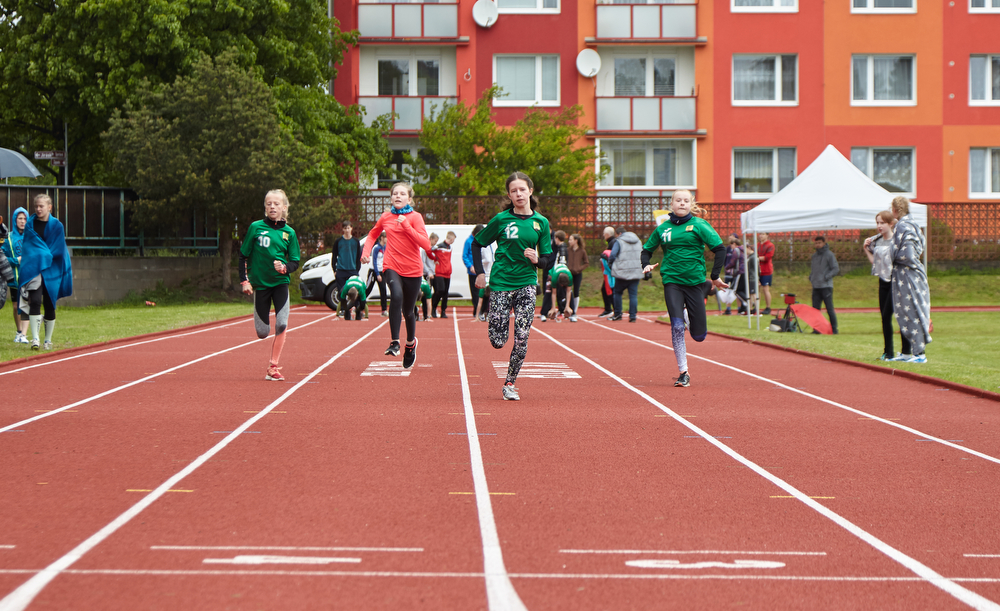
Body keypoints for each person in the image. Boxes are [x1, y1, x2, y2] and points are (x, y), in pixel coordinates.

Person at [472, 171, 552, 401]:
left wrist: (537, 260)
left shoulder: (541, 223)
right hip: (501, 283)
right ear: (509, 195)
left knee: (522, 336)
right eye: (514, 191)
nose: (519, 194)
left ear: (530, 191)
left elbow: (547, 259)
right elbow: (477, 244)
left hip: (527, 283)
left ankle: (510, 382)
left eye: (522, 189)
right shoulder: (501, 220)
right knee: (498, 341)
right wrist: (480, 273)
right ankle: (498, 324)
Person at [641, 189, 726, 388]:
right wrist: (645, 264)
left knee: (699, 336)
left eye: (686, 201)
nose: (681, 203)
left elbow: (720, 249)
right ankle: (683, 372)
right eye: (678, 200)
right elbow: (646, 250)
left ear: (691, 204)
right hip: (672, 281)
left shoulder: (699, 225)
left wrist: (714, 277)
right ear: (671, 204)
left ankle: (695, 302)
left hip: (695, 282)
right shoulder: (663, 228)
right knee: (677, 327)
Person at [361, 182, 432, 370]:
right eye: (395, 194)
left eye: (402, 193)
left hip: (413, 270)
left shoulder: (415, 217)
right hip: (391, 265)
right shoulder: (386, 217)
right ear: (391, 197)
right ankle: (394, 342)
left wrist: (407, 226)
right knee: (396, 295)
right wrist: (365, 252)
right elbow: (372, 235)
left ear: (409, 198)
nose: (398, 196)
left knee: (408, 311)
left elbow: (426, 244)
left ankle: (410, 344)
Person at [239, 189, 301, 381]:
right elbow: (243, 255)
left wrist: (284, 268)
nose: (272, 207)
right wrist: (244, 281)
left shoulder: (289, 233)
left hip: (280, 283)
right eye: (269, 204)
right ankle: (263, 327)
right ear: (265, 207)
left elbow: (295, 262)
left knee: (282, 324)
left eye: (276, 204)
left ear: (284, 207)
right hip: (261, 285)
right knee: (262, 332)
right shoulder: (255, 227)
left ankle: (273, 366)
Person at [18, 194, 73, 351]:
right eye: (36, 206)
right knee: (35, 301)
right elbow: (29, 248)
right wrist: (40, 256)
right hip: (34, 268)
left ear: (49, 207)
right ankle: (35, 339)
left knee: (50, 303)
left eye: (41, 206)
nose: (38, 209)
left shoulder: (57, 226)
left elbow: (59, 249)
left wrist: (44, 255)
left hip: (52, 268)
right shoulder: (30, 225)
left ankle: (47, 340)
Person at [888, 196, 931, 363]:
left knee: (911, 311)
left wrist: (890, 256)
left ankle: (919, 353)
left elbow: (908, 254)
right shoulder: (913, 224)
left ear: (895, 210)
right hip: (910, 273)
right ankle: (907, 352)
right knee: (907, 311)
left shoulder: (902, 225)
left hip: (907, 274)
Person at [864, 211, 906, 361]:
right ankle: (888, 352)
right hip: (883, 282)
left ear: (891, 224)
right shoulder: (877, 241)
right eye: (877, 223)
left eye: (882, 223)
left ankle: (906, 351)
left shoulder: (897, 241)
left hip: (896, 281)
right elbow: (875, 263)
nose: (879, 226)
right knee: (884, 317)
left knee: (897, 315)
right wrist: (865, 249)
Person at [1, 207, 28, 343]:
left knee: (26, 304)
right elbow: (2, 258)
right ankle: (19, 331)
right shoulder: (9, 238)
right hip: (14, 278)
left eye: (25, 219)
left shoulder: (31, 236)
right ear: (15, 220)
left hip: (28, 277)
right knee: (16, 306)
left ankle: (24, 334)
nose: (22, 221)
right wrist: (16, 261)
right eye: (20, 218)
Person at [607, 227, 643, 322]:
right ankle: (633, 316)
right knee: (633, 295)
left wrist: (610, 264)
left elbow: (613, 255)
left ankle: (618, 313)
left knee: (617, 292)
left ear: (619, 233)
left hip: (622, 271)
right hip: (635, 271)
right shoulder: (638, 241)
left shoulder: (619, 241)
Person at [809, 235, 840, 334]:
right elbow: (813, 269)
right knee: (815, 309)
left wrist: (826, 277)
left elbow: (835, 268)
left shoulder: (829, 255)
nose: (817, 245)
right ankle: (817, 329)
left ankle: (834, 329)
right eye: (816, 243)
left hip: (826, 286)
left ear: (824, 243)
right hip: (816, 286)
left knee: (829, 308)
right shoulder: (814, 256)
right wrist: (811, 277)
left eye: (819, 243)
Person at [331, 220, 361, 316]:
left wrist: (357, 269)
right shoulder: (338, 241)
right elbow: (334, 256)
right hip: (341, 270)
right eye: (345, 228)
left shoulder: (356, 241)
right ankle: (344, 310)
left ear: (351, 228)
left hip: (352, 270)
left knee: (355, 291)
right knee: (342, 292)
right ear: (342, 229)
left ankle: (357, 309)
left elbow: (358, 257)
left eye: (348, 228)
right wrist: (334, 269)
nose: (347, 230)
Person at [539, 230, 567, 322]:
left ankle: (555, 311)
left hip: (556, 273)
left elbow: (562, 261)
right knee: (553, 291)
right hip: (554, 272)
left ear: (557, 238)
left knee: (553, 291)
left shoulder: (562, 248)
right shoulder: (560, 247)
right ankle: (551, 311)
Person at [430, 231, 456, 318]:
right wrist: (434, 259)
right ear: (451, 239)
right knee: (440, 290)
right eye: (453, 240)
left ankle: (443, 311)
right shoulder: (439, 246)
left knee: (446, 293)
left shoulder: (450, 247)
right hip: (440, 272)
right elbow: (429, 250)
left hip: (448, 272)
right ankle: (433, 307)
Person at [463, 224, 486, 320]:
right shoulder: (468, 241)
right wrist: (470, 266)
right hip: (473, 271)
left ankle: (482, 310)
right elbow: (465, 256)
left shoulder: (482, 240)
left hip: (482, 270)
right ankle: (477, 310)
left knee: (483, 292)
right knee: (475, 292)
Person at [565, 233, 588, 322]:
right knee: (568, 291)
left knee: (576, 291)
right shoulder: (567, 250)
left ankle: (574, 311)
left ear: (576, 241)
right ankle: (568, 309)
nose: (569, 241)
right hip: (569, 274)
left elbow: (586, 263)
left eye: (571, 239)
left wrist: (579, 269)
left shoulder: (582, 251)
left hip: (578, 274)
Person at [734, 242, 758, 315]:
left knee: (753, 294)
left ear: (749, 248)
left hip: (752, 278)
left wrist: (758, 278)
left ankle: (756, 309)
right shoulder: (749, 257)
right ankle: (750, 309)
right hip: (749, 278)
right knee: (750, 294)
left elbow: (756, 269)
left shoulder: (753, 257)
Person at [598, 226, 616, 317]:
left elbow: (612, 256)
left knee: (609, 289)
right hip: (610, 270)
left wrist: (605, 258)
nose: (603, 235)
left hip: (611, 271)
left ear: (607, 234)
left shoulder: (613, 243)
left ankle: (612, 309)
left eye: (604, 234)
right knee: (606, 289)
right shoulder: (612, 242)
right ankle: (609, 309)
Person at [369, 232, 389, 317]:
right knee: (368, 289)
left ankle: (384, 310)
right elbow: (374, 261)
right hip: (374, 271)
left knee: (383, 290)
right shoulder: (376, 248)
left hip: (382, 271)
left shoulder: (385, 247)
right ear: (382, 238)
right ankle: (358, 305)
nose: (387, 239)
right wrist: (377, 274)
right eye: (386, 237)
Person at [758, 233, 775, 315]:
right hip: (757, 270)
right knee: (757, 289)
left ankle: (768, 307)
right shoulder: (757, 245)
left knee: (765, 289)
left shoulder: (770, 245)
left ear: (767, 235)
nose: (761, 236)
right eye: (760, 234)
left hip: (766, 271)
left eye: (763, 234)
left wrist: (757, 258)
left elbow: (767, 257)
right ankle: (756, 307)